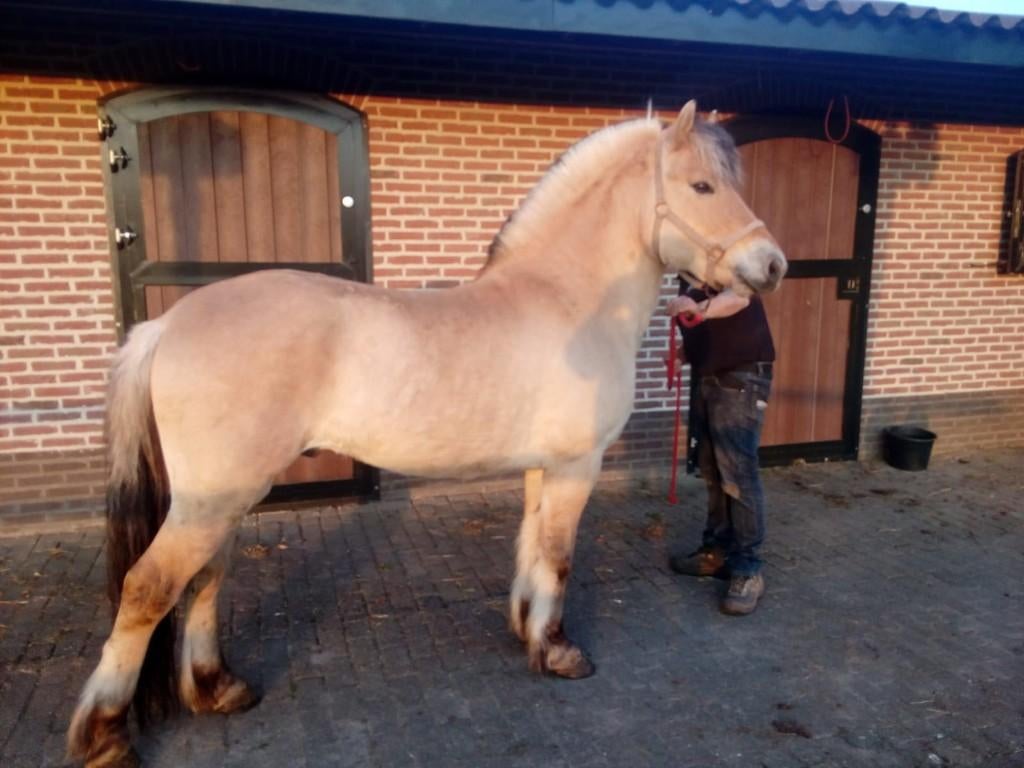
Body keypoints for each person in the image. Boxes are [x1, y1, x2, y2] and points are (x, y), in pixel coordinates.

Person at [666, 278, 774, 616]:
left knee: (737, 476)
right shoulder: (690, 273)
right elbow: (709, 330)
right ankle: (716, 554)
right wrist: (685, 353)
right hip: (709, 377)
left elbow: (738, 299)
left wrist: (697, 309)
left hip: (740, 380)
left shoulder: (730, 262)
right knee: (713, 471)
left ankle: (748, 570)